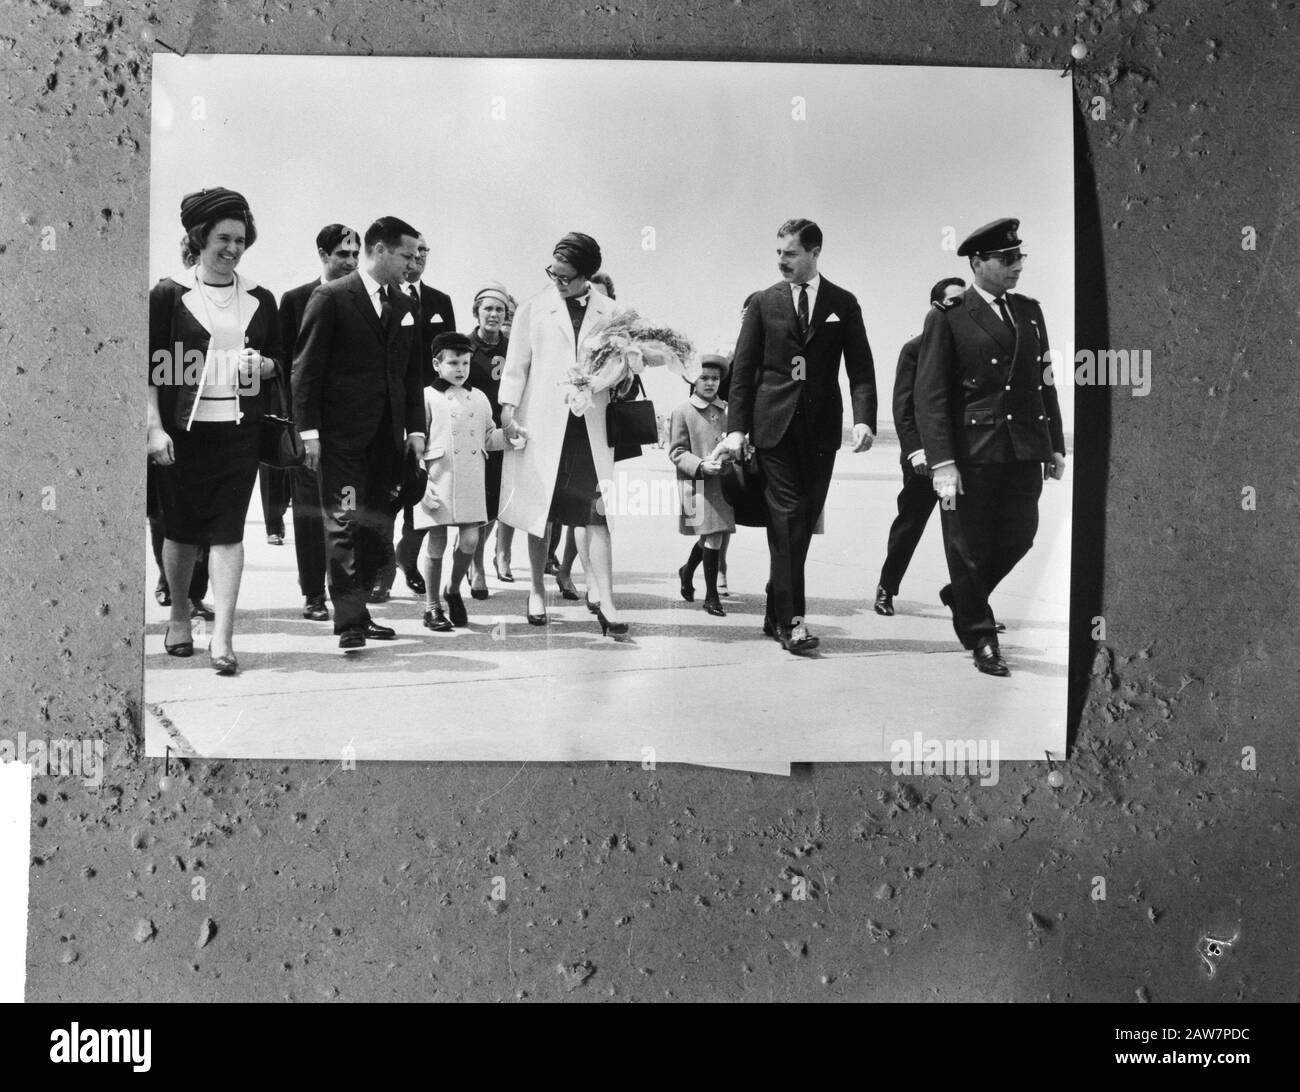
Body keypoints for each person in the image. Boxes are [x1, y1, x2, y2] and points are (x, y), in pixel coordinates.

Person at [914, 217, 1067, 677]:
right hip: (971, 451)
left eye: (1019, 257)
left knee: (1021, 534)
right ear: (977, 262)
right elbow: (931, 394)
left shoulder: (1028, 311)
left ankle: (962, 594)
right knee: (966, 545)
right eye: (1006, 259)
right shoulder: (949, 315)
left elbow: (1045, 383)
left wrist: (1055, 444)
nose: (1016, 266)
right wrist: (943, 461)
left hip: (1022, 447)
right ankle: (982, 637)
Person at [722, 218, 877, 654]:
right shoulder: (762, 303)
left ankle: (774, 614)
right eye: (778, 253)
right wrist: (736, 429)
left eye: (790, 253)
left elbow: (860, 367)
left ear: (814, 252)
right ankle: (793, 623)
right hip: (772, 430)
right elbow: (744, 370)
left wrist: (864, 418)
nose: (781, 261)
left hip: (822, 432)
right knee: (789, 517)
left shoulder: (842, 303)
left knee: (799, 526)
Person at [146, 187, 282, 675]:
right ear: (199, 239)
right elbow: (151, 372)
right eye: (223, 238)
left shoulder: (261, 299)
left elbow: (278, 362)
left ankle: (222, 638)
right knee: (180, 532)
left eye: (240, 239)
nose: (232, 248)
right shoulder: (168, 296)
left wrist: (264, 365)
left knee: (228, 534)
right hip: (183, 435)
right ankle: (180, 618)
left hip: (238, 433)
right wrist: (154, 429)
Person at [293, 216, 427, 650]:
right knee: (344, 522)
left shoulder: (406, 306)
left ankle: (362, 611)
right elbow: (305, 371)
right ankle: (349, 620)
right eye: (407, 255)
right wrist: (309, 433)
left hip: (387, 444)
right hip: (342, 441)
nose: (413, 263)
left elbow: (410, 376)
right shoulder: (331, 297)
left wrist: (416, 432)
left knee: (376, 528)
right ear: (381, 250)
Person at [497, 231, 629, 636]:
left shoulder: (612, 312)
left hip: (588, 428)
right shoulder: (533, 309)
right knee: (542, 512)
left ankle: (606, 601)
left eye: (567, 277)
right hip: (542, 425)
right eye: (553, 273)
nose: (558, 281)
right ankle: (536, 590)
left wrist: (615, 378)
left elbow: (622, 366)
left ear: (587, 276)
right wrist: (507, 412)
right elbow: (516, 366)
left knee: (596, 514)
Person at [277, 223, 361, 622]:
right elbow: (287, 367)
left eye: (355, 254)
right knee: (309, 514)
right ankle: (313, 593)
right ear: (324, 255)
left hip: (349, 432)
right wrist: (300, 427)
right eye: (342, 254)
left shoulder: (366, 301)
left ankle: (344, 591)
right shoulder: (295, 301)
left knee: (346, 512)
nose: (350, 261)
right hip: (308, 428)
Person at [415, 333, 520, 630]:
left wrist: (511, 438)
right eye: (452, 363)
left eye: (465, 362)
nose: (460, 369)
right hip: (438, 480)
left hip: (472, 479)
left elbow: (489, 437)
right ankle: (432, 607)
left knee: (471, 541)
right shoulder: (427, 396)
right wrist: (420, 486)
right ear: (437, 364)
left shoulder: (480, 397)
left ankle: (453, 588)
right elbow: (414, 445)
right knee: (436, 544)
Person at [874, 277, 965, 617]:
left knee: (960, 533)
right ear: (936, 307)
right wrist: (916, 452)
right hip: (923, 461)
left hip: (956, 462)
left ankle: (967, 601)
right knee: (909, 526)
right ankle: (887, 587)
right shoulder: (915, 348)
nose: (961, 308)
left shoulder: (968, 348)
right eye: (953, 302)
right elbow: (904, 406)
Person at [390, 234, 458, 599]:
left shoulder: (439, 301)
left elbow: (449, 353)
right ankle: (387, 563)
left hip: (430, 404)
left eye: (424, 253)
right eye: (412, 253)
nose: (418, 260)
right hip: (392, 402)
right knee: (391, 482)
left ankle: (409, 555)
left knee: (424, 481)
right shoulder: (383, 298)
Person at [670, 354, 735, 617]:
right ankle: (711, 596)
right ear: (692, 380)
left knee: (714, 534)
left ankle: (688, 572)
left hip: (722, 483)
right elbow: (676, 451)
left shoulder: (726, 409)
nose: (710, 383)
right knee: (712, 534)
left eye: (715, 378)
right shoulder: (682, 411)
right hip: (696, 484)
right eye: (704, 378)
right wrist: (699, 465)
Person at [465, 283, 514, 596]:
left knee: (497, 505)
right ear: (476, 312)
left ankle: (477, 556)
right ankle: (476, 564)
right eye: (489, 309)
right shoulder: (464, 346)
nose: (494, 315)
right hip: (473, 436)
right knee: (476, 504)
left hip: (503, 435)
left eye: (500, 310)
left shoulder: (512, 347)